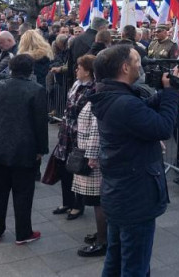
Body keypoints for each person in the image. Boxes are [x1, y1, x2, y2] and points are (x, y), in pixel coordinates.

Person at [89, 44, 179, 276]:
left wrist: (162, 92)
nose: (141, 64)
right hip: (135, 194)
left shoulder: (112, 95)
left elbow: (140, 113)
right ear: (124, 67)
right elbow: (162, 128)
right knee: (135, 264)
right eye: (137, 60)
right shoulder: (124, 102)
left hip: (120, 191)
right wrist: (171, 94)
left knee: (116, 257)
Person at [0, 53, 49, 244]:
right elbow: (40, 122)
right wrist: (41, 149)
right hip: (23, 148)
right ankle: (23, 233)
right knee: (23, 192)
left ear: (11, 68)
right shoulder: (36, 89)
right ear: (31, 70)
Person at [51, 54, 96, 220]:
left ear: (89, 71)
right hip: (66, 133)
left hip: (80, 135)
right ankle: (67, 202)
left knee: (77, 168)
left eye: (80, 67)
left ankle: (78, 205)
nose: (76, 70)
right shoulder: (77, 84)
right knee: (64, 169)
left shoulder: (93, 89)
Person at [73, 95, 107, 258]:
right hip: (90, 152)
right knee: (97, 201)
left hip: (93, 156)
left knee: (98, 200)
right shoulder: (97, 93)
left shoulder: (100, 97)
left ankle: (103, 240)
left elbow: (96, 129)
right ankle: (103, 233)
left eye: (78, 67)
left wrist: (92, 156)